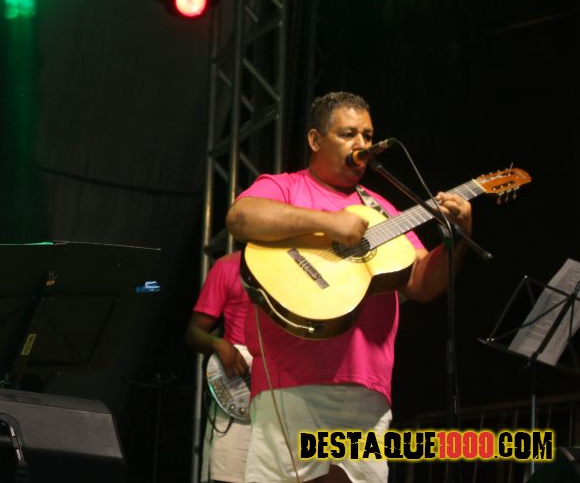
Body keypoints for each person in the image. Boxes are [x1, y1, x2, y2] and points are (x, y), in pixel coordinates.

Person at [225, 92, 471, 483]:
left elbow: (422, 283)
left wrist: (457, 238)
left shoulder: (383, 209)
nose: (362, 145)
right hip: (292, 383)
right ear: (315, 140)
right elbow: (241, 217)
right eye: (348, 134)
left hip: (366, 391)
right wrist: (330, 223)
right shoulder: (285, 186)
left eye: (368, 136)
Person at [186, 251, 254, 483]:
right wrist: (217, 343)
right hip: (238, 388)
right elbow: (193, 333)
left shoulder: (299, 265)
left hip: (286, 388)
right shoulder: (228, 266)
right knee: (228, 475)